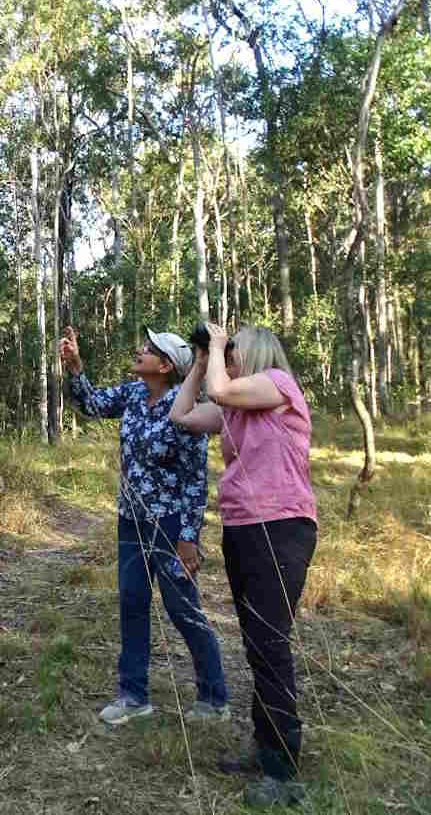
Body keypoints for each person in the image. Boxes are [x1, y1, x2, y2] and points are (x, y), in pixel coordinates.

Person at [169, 323, 317, 808]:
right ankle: (266, 744)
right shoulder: (233, 408)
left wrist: (214, 347)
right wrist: (196, 363)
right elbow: (182, 414)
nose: (225, 358)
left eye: (232, 351)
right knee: (256, 643)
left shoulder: (278, 384)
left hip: (282, 526)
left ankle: (282, 766)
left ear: (252, 353)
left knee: (270, 642)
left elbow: (221, 387)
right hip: (243, 528)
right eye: (222, 352)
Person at [58, 326, 228, 727]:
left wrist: (189, 537)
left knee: (182, 609)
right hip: (130, 521)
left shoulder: (185, 407)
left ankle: (214, 696)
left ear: (167, 365)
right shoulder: (134, 394)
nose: (140, 350)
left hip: (169, 526)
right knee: (132, 603)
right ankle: (133, 696)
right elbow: (94, 404)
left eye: (149, 349)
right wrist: (76, 368)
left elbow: (194, 480)